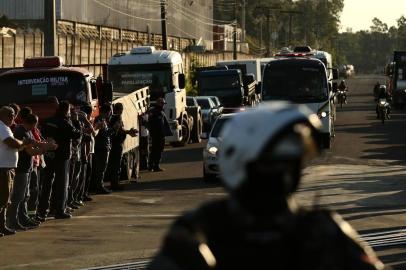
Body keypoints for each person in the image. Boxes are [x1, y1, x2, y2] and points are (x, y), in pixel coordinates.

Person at [148, 103, 386, 270]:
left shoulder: (320, 229)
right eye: (271, 167)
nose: (280, 177)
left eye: (289, 166)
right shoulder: (201, 230)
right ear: (243, 164)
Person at [7, 113, 57, 231]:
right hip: (21, 168)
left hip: (27, 167)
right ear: (33, 123)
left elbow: (34, 146)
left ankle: (23, 218)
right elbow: (30, 152)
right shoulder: (21, 132)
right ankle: (13, 221)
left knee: (25, 195)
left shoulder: (27, 131)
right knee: (18, 196)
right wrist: (46, 148)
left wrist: (45, 146)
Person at [37, 101, 81, 220]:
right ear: (66, 111)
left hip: (49, 154)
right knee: (62, 183)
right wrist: (76, 121)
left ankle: (42, 210)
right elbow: (77, 134)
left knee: (47, 182)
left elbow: (42, 133)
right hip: (62, 156)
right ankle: (59, 210)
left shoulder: (48, 121)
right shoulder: (65, 122)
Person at [0, 106, 33, 236]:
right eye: (11, 115)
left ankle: (2, 226)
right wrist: (23, 142)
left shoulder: (5, 127)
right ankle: (2, 225)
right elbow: (11, 143)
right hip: (3, 168)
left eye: (13, 115)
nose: (13, 117)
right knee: (2, 200)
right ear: (3, 115)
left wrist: (22, 144)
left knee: (5, 200)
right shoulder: (1, 126)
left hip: (7, 168)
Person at [105, 102, 138, 190]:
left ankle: (114, 183)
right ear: (120, 110)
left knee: (114, 165)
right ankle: (115, 184)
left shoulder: (112, 117)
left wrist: (128, 132)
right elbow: (118, 130)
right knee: (116, 165)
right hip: (117, 144)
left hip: (114, 144)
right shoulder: (117, 117)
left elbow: (120, 130)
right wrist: (129, 132)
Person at [91, 103, 113, 194]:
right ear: (107, 112)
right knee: (101, 168)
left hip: (103, 146)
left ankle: (99, 186)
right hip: (102, 147)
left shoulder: (102, 119)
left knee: (101, 168)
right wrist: (113, 129)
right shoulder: (100, 120)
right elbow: (104, 134)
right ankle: (99, 187)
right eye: (110, 112)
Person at [148, 98, 172, 172]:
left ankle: (151, 166)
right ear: (159, 103)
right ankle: (155, 166)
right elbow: (158, 125)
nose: (163, 105)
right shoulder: (157, 112)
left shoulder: (156, 111)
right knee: (158, 151)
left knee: (155, 150)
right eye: (162, 104)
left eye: (163, 104)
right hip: (158, 135)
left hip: (157, 135)